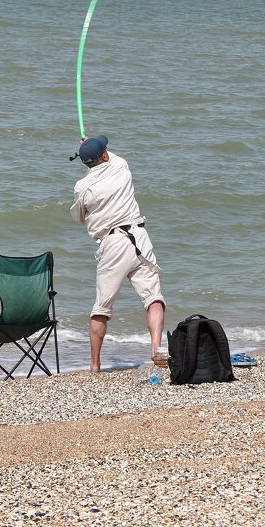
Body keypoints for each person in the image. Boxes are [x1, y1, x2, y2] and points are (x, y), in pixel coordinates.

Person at [70, 135, 166, 373]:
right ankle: (156, 349)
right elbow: (110, 156)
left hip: (113, 243)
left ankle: (95, 366)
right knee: (153, 297)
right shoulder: (121, 166)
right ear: (104, 155)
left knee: (102, 306)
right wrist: (89, 142)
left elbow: (79, 217)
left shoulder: (83, 187)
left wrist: (86, 149)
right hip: (140, 237)